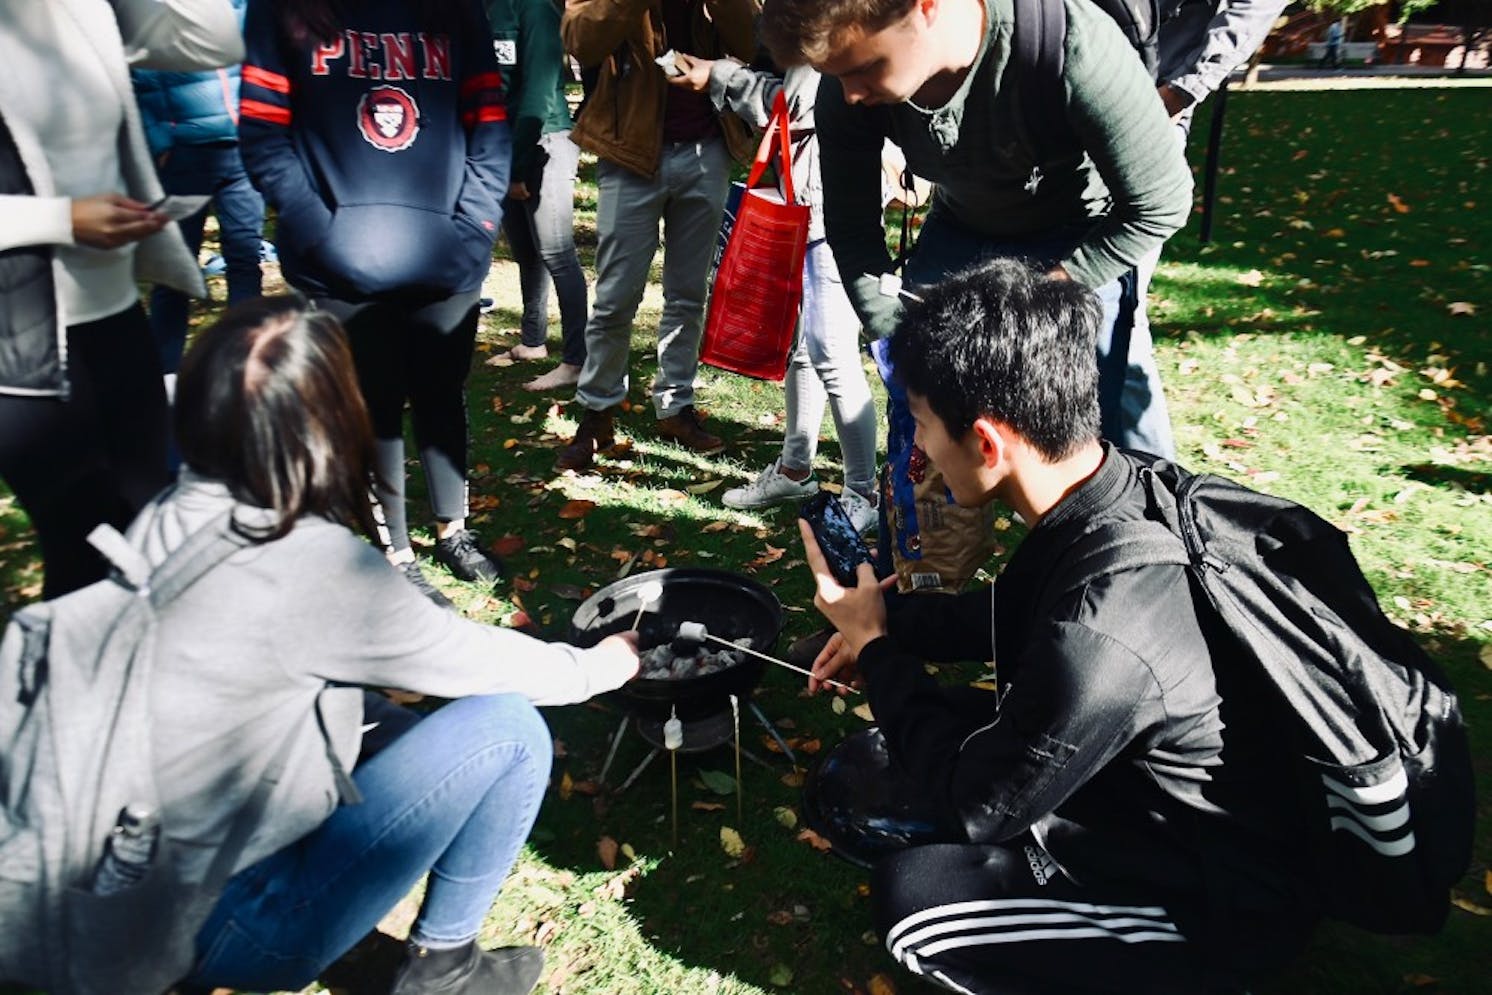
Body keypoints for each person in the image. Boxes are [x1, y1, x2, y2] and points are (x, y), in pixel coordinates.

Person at [797, 259, 1318, 993]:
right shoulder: (1107, 488)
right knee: (947, 719)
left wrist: (878, 650)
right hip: (1154, 776)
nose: (915, 450)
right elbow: (1009, 612)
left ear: (985, 441)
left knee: (914, 902)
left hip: (1219, 895)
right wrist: (886, 622)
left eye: (918, 421)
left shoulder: (1097, 635)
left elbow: (977, 807)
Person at [151, 297, 640, 994]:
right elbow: (476, 660)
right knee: (510, 731)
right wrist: (598, 665)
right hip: (224, 923)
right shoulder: (304, 566)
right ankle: (443, 967)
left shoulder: (160, 511)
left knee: (391, 726)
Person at [759, 0, 1193, 591]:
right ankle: (909, 596)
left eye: (864, 69)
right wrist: (894, 335)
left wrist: (1045, 299)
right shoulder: (846, 80)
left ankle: (1143, 583)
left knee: (1104, 429)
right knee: (918, 430)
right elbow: (855, 230)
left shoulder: (1069, 45)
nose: (852, 94)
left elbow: (1162, 202)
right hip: (962, 230)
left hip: (1082, 239)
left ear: (927, 9)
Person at [239, 0, 511, 607]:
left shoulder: (458, 11)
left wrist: (475, 228)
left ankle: (453, 530)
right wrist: (318, 231)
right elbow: (263, 131)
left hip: (448, 257)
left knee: (442, 395)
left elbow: (489, 123)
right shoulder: (282, 10)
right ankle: (394, 551)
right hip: (336, 268)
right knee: (370, 408)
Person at [0, 0, 243, 600]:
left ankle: (137, 679)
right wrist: (61, 219)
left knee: (146, 517)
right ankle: (73, 683)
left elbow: (213, 41)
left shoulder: (88, 9)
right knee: (84, 545)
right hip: (21, 341)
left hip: (112, 311)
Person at [667, 54, 881, 533]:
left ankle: (863, 492)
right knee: (803, 347)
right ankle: (795, 468)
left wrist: (721, 77)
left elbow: (795, 104)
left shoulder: (836, 27)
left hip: (835, 208)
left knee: (832, 352)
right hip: (806, 200)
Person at [553, 0, 760, 471]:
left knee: (688, 293)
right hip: (629, 153)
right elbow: (580, 40)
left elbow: (752, 40)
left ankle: (675, 405)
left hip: (707, 149)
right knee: (615, 297)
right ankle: (598, 410)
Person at [132, 0, 266, 395]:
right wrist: (159, 141)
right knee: (174, 274)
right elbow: (137, 76)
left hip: (242, 150)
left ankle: (246, 370)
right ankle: (164, 379)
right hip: (183, 156)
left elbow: (262, 61)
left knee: (245, 259)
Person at [484, 0, 590, 393]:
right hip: (502, 142)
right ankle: (532, 341)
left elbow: (539, 91)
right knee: (526, 252)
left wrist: (519, 167)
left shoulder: (536, 11)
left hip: (547, 138)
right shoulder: (484, 10)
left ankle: (577, 360)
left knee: (557, 253)